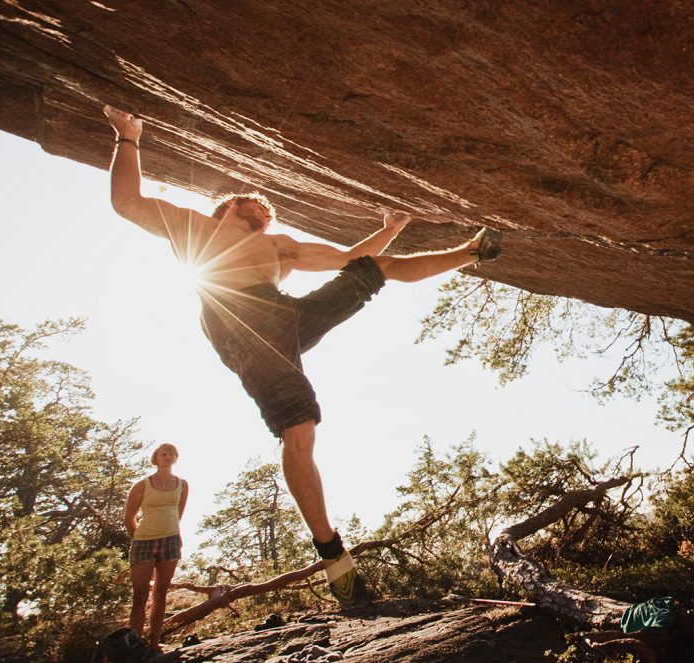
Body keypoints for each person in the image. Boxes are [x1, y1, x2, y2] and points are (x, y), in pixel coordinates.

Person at [102, 104, 502, 607]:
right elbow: (127, 202)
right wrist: (128, 136)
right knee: (300, 430)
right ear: (226, 207)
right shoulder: (192, 228)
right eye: (255, 213)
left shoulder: (278, 245)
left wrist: (393, 226)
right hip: (242, 328)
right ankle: (335, 559)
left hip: (287, 319)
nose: (265, 219)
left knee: (374, 269)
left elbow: (348, 259)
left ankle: (473, 250)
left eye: (268, 216)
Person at [125, 442, 190, 652]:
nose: (168, 456)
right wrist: (140, 536)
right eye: (164, 453)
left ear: (176, 457)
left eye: (172, 453)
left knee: (161, 592)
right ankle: (134, 644)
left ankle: (154, 642)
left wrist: (169, 531)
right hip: (144, 541)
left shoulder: (182, 484)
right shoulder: (143, 485)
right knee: (139, 595)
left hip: (170, 540)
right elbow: (129, 517)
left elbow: (178, 513)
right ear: (156, 458)